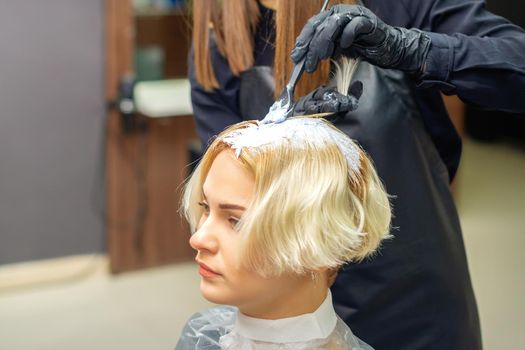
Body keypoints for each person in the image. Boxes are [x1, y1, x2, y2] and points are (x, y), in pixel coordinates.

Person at [188, 1, 525, 348]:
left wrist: (410, 50)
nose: (197, 238)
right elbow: (224, 196)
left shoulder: (395, 6)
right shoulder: (221, 29)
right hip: (287, 307)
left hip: (412, 299)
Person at [175, 116, 392, 349]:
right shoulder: (201, 337)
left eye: (236, 222)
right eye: (206, 208)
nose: (198, 239)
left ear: (320, 242)